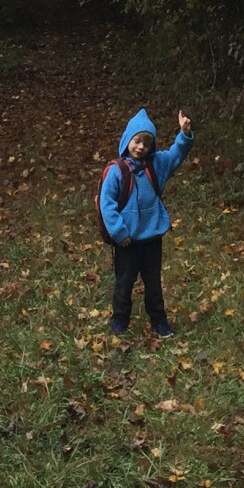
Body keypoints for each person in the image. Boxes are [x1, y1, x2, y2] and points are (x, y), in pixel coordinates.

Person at [99, 106, 194, 337]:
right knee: (124, 282)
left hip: (152, 239)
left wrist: (184, 135)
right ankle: (120, 319)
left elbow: (176, 155)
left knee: (153, 284)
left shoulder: (156, 164)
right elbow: (107, 205)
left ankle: (159, 321)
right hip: (127, 242)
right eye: (137, 141)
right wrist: (119, 234)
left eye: (147, 143)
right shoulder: (116, 171)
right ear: (127, 140)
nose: (141, 147)